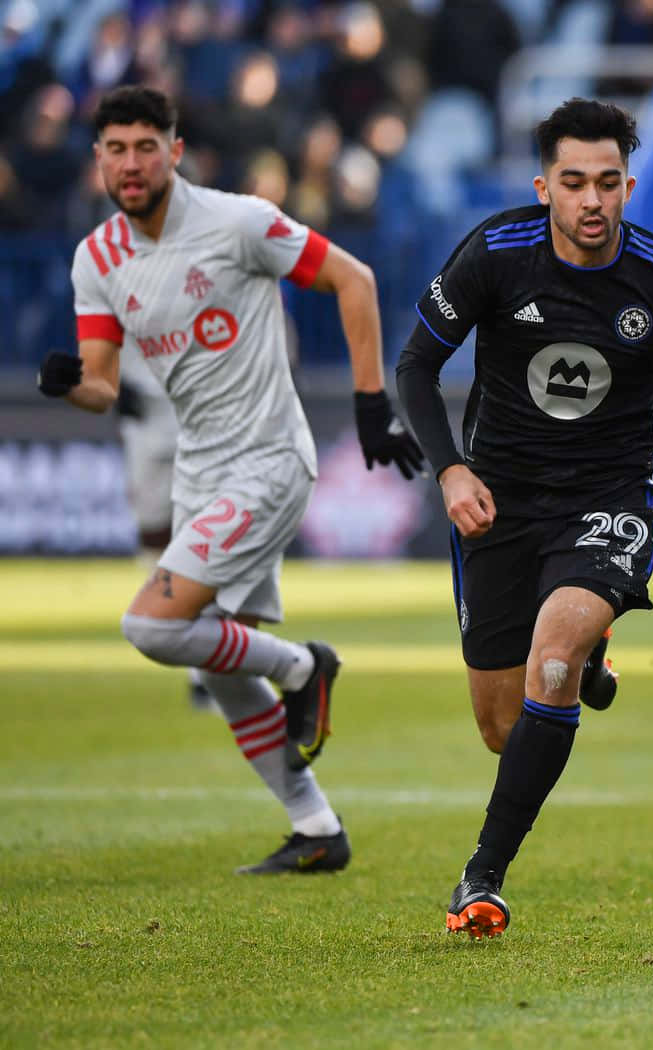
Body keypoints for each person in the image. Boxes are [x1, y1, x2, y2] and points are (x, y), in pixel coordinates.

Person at [38, 85, 424, 874]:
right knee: (218, 664)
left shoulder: (238, 222)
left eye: (147, 146)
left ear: (175, 152)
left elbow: (353, 279)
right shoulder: (99, 258)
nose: (131, 163)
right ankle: (316, 829)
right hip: (200, 472)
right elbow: (105, 385)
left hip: (268, 460)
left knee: (150, 626)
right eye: (115, 149)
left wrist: (370, 404)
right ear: (98, 160)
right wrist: (68, 384)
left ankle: (302, 666)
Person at [395, 97, 653, 938]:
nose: (592, 201)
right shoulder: (495, 253)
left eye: (609, 183)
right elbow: (416, 367)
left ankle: (483, 875)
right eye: (574, 182)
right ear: (544, 185)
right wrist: (452, 472)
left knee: (551, 655)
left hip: (606, 503)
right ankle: (587, 658)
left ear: (627, 184)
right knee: (501, 726)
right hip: (497, 506)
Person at [114, 343, 216, 711]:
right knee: (154, 532)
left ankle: (203, 669)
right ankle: (175, 624)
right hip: (144, 411)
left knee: (204, 534)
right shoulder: (108, 284)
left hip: (205, 403)